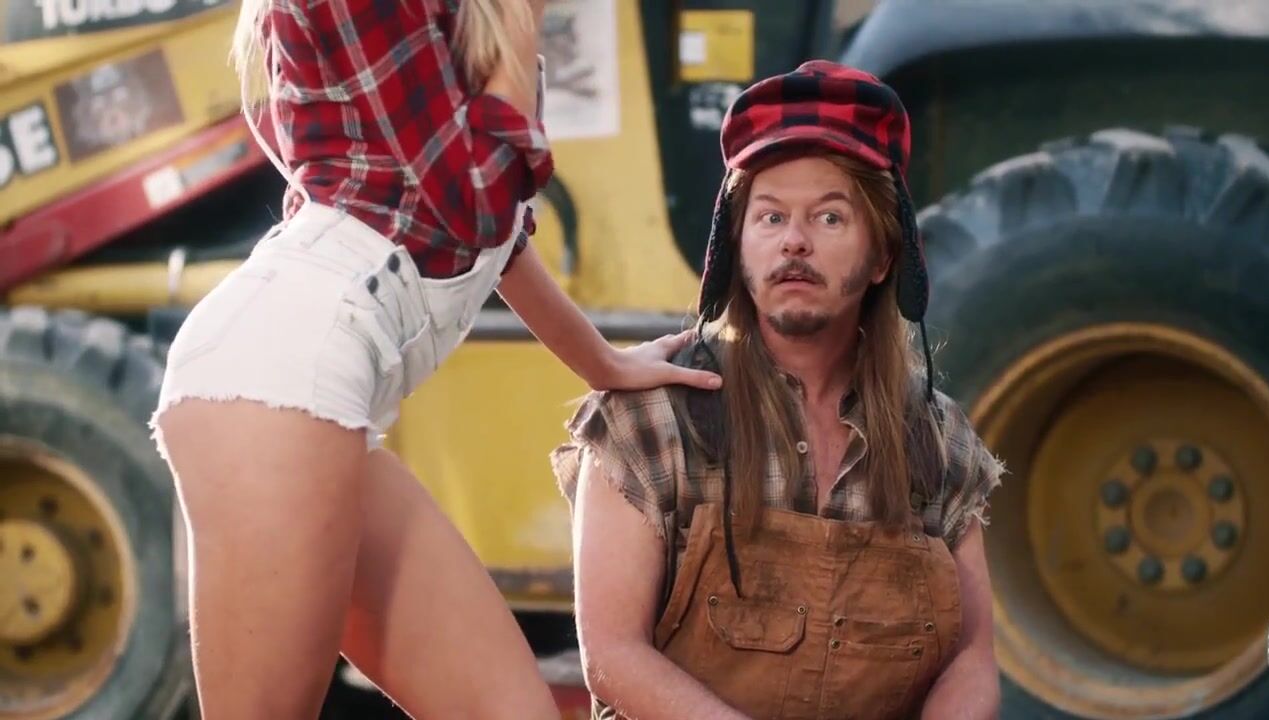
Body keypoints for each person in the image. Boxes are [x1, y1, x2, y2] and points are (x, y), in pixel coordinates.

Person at [148, 1, 721, 718]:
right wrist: (519, 26)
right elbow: (477, 205)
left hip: (310, 383)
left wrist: (604, 363)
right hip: (275, 371)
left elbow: (496, 235)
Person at [552, 61, 1006, 720]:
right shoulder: (651, 421)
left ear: (884, 257)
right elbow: (613, 655)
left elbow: (972, 658)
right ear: (736, 248)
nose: (794, 241)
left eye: (829, 218)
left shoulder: (938, 443)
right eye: (769, 218)